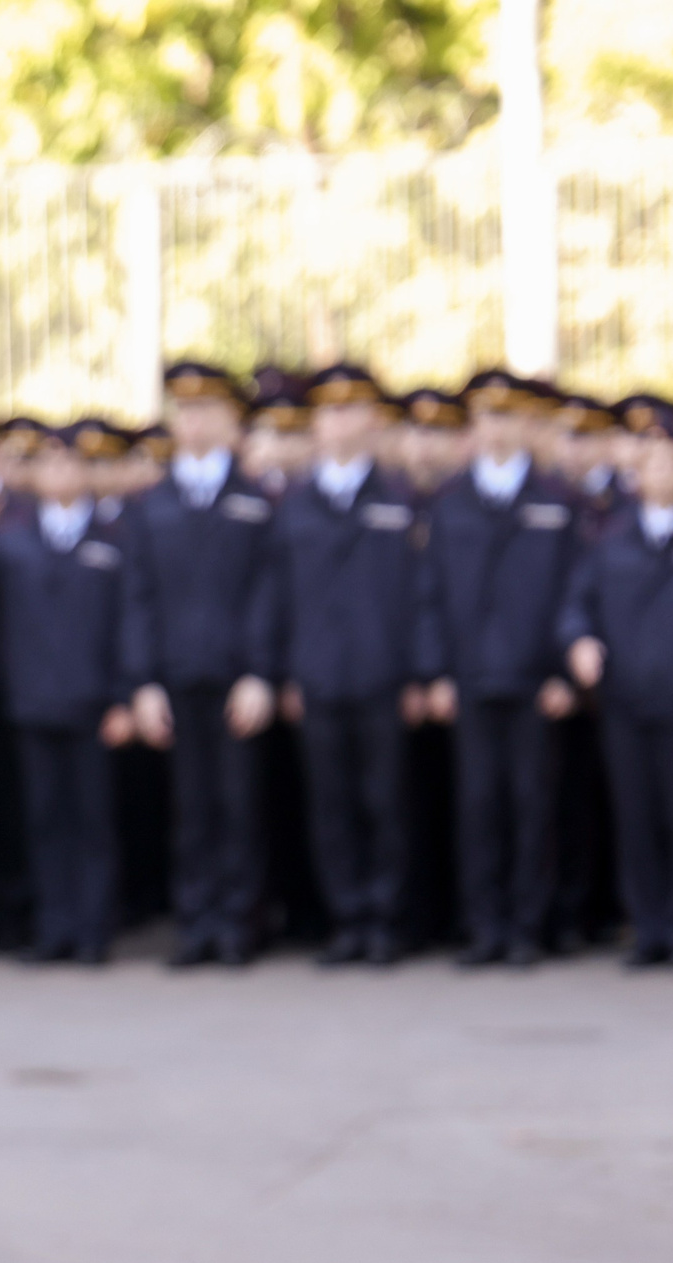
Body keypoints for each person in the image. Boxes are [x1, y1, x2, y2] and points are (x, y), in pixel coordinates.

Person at [562, 427, 673, 967]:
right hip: (625, 700)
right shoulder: (609, 538)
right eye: (650, 468)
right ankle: (648, 929)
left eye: (671, 467)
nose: (660, 477)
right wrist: (579, 641)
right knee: (635, 816)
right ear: (635, 479)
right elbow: (578, 604)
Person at [274, 363, 433, 965]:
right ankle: (348, 917)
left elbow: (422, 595)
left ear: (371, 419)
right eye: (328, 412)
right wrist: (284, 671)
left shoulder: (400, 498)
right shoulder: (296, 503)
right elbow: (280, 595)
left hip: (382, 675)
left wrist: (418, 672)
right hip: (317, 675)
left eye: (351, 410)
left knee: (385, 802)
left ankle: (387, 918)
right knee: (331, 805)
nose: (339, 423)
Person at [421, 371, 582, 965]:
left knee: (532, 805)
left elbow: (574, 592)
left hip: (534, 678)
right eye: (486, 418)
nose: (497, 429)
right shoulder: (450, 501)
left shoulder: (556, 501)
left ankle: (526, 927)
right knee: (479, 807)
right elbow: (429, 592)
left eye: (507, 417)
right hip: (469, 677)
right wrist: (436, 671)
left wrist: (564, 673)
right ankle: (485, 926)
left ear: (524, 425)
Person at [124, 361, 281, 965]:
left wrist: (259, 673)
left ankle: (240, 922)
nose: (192, 423)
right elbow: (137, 599)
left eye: (206, 411)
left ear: (232, 422)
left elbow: (267, 594)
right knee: (189, 809)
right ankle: (197, 921)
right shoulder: (151, 505)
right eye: (183, 411)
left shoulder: (254, 501)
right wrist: (141, 682)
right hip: (175, 675)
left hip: (234, 675)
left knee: (239, 806)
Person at [0, 422, 137, 963]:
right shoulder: (9, 537)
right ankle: (55, 928)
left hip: (93, 702)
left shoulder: (114, 535)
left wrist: (123, 695)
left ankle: (94, 930)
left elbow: (128, 620)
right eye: (48, 465)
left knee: (93, 821)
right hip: (33, 699)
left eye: (70, 464)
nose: (59, 474)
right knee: (45, 820)